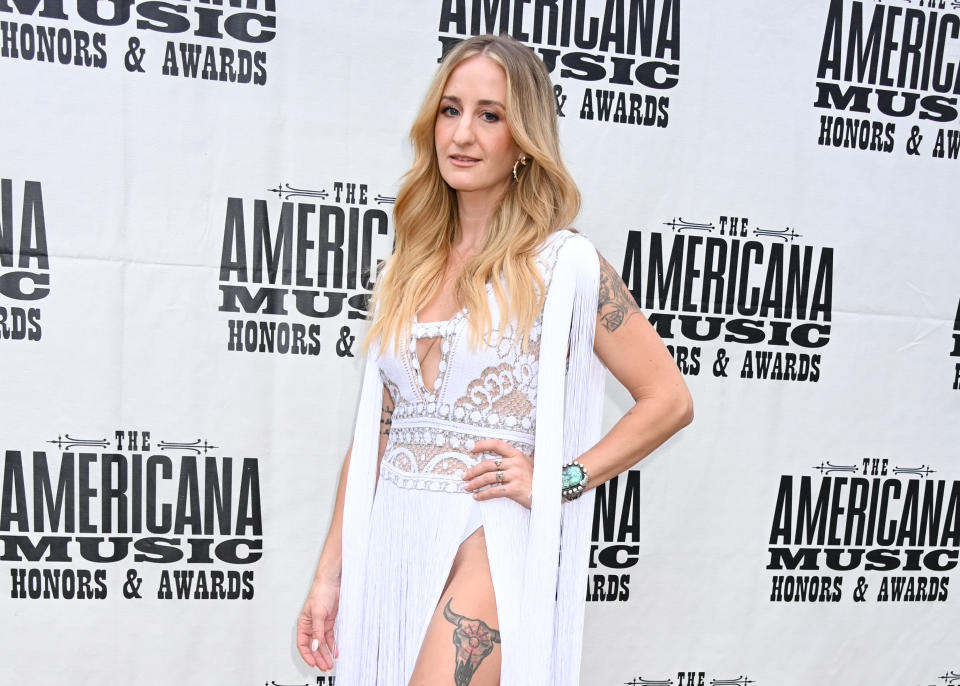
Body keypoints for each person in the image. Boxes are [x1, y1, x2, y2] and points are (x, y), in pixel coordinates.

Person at [296, 34, 693, 686]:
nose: (463, 134)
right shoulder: (407, 267)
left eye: (490, 115)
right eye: (451, 110)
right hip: (395, 532)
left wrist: (560, 480)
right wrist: (329, 575)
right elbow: (379, 435)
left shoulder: (563, 266)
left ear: (524, 139)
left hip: (488, 536)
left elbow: (669, 399)